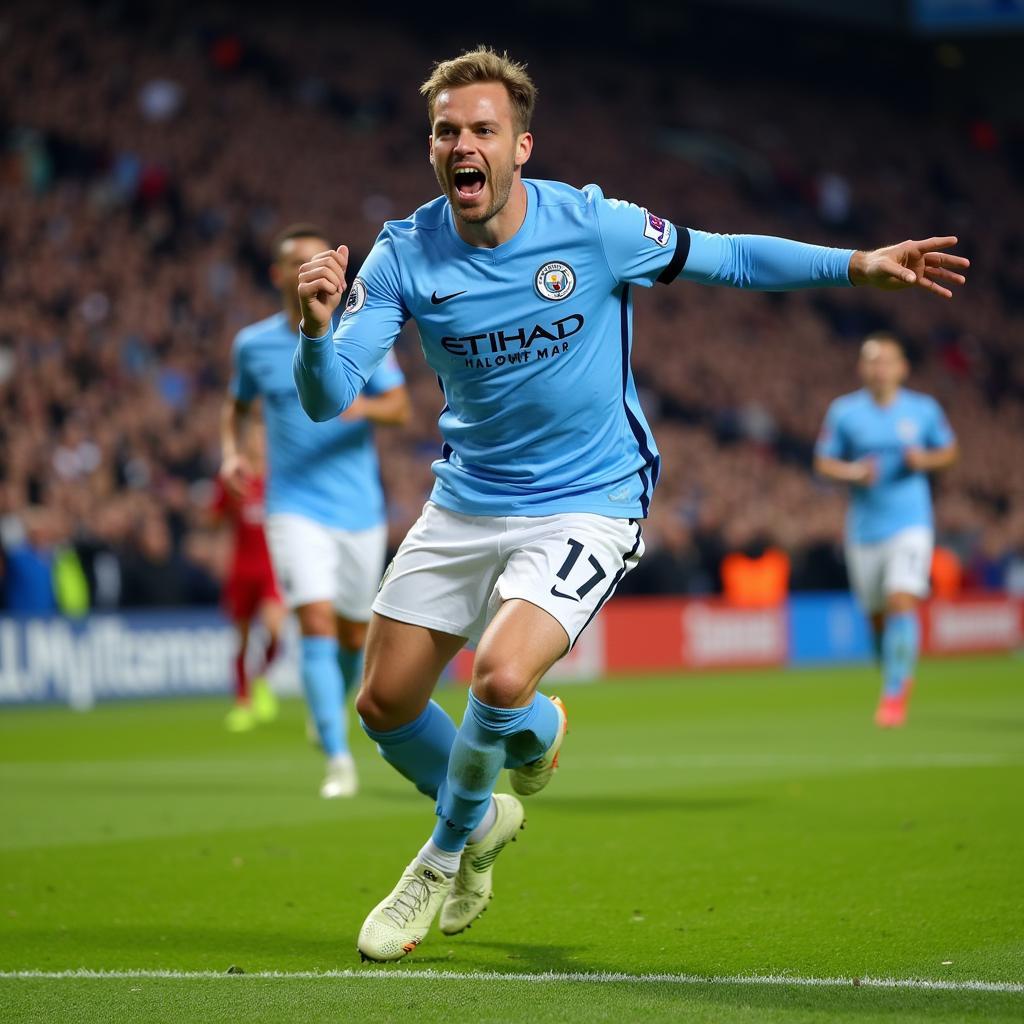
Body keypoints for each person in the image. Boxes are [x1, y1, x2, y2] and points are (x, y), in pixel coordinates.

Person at [291, 48, 968, 961]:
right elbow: (329, 394)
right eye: (447, 130)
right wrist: (316, 327)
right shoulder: (406, 250)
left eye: (481, 129)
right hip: (468, 498)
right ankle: (504, 782)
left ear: (520, 145)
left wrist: (855, 266)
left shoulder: (594, 226)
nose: (462, 143)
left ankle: (442, 857)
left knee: (495, 675)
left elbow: (726, 258)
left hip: (591, 498)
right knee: (383, 703)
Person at [221, 223, 410, 797]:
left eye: (319, 259)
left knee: (355, 637)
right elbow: (237, 409)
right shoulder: (253, 346)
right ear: (280, 275)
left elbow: (400, 407)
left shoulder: (360, 332)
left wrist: (353, 410)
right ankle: (337, 758)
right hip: (293, 505)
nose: (311, 268)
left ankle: (330, 707)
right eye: (298, 261)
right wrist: (232, 454)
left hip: (359, 509)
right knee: (316, 622)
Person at [815, 333, 958, 728]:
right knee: (877, 616)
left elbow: (949, 451)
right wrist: (853, 472)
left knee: (901, 600)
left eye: (886, 361)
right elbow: (824, 462)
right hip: (864, 530)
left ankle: (895, 692)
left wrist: (924, 460)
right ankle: (891, 669)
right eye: (872, 361)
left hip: (911, 524)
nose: (879, 369)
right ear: (862, 368)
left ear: (902, 367)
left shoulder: (923, 409)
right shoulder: (844, 412)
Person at [209, 421, 284, 733]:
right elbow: (215, 519)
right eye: (253, 436)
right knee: (240, 640)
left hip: (271, 570)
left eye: (262, 436)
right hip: (241, 569)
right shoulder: (233, 477)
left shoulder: (278, 479)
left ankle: (261, 678)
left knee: (275, 631)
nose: (259, 442)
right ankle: (243, 702)